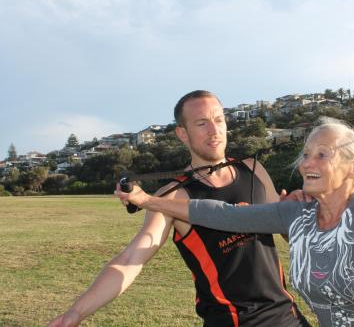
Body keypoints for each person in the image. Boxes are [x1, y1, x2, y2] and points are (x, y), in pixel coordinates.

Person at [116, 117, 354, 327]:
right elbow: (224, 215)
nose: (306, 164)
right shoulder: (295, 215)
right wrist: (147, 200)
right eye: (306, 154)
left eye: (322, 155)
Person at [49, 90, 310, 327]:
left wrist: (291, 213)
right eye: (201, 123)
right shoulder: (173, 197)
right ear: (183, 134)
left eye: (219, 120)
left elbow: (285, 231)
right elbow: (131, 260)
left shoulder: (253, 170)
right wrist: (75, 313)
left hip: (287, 316)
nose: (214, 130)